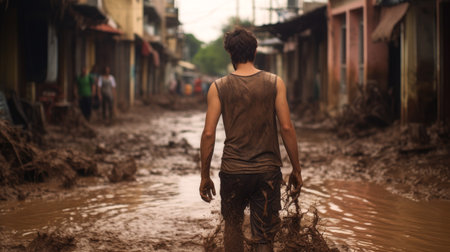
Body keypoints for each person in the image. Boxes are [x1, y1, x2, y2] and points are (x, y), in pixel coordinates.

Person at [199, 28, 303, 252]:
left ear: (230, 54)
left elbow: (208, 134)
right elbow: (286, 127)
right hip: (267, 172)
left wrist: (204, 175)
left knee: (233, 229)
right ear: (255, 51)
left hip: (233, 171)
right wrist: (296, 169)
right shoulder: (275, 83)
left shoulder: (218, 88)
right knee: (264, 235)